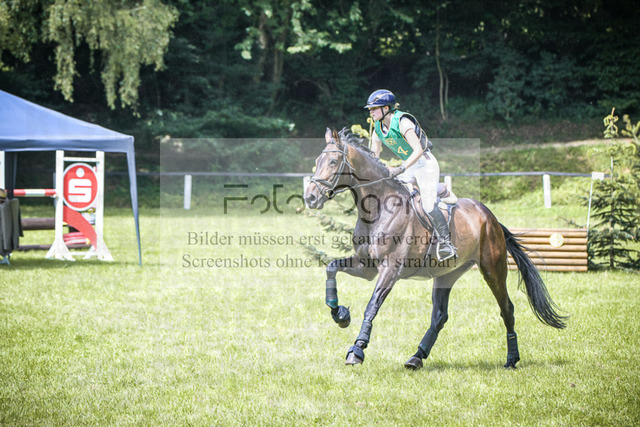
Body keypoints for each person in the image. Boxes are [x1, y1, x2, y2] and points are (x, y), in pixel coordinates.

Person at [365, 89, 456, 261]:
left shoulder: (403, 122)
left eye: (374, 108)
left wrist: (401, 168)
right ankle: (439, 189)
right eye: (370, 109)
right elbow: (373, 156)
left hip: (425, 164)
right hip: (408, 167)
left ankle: (446, 243)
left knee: (428, 206)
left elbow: (418, 149)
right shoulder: (377, 128)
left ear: (386, 108)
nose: (371, 112)